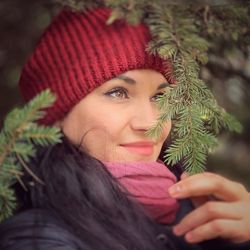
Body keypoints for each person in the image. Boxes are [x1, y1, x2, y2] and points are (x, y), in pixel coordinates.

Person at [0, 6, 250, 250]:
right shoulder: (36, 237)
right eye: (118, 92)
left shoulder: (198, 213)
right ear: (57, 115)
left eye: (160, 97)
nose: (150, 123)